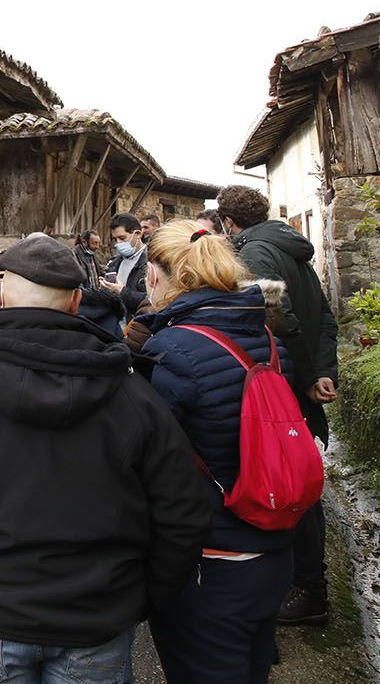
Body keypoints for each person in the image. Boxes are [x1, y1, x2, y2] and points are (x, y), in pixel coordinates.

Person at [0, 233, 208, 684]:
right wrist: (143, 595)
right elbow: (183, 509)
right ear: (77, 301)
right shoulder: (132, 393)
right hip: (96, 616)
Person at [136, 220, 296, 683]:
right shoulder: (266, 337)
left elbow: (151, 458)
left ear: (152, 275)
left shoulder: (175, 350)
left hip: (213, 560)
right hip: (270, 546)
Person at [216, 184, 339, 625]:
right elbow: (324, 316)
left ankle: (308, 590)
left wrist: (307, 379)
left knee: (290, 487)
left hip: (282, 385)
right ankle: (306, 585)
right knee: (298, 480)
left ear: (229, 222)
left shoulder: (254, 255)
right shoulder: (289, 247)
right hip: (297, 380)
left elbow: (284, 325)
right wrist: (325, 372)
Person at [101, 212, 149, 316]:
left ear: (138, 234)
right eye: (115, 239)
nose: (118, 244)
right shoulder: (114, 263)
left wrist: (122, 292)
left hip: (138, 326)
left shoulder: (152, 263)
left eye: (122, 238)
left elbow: (155, 301)